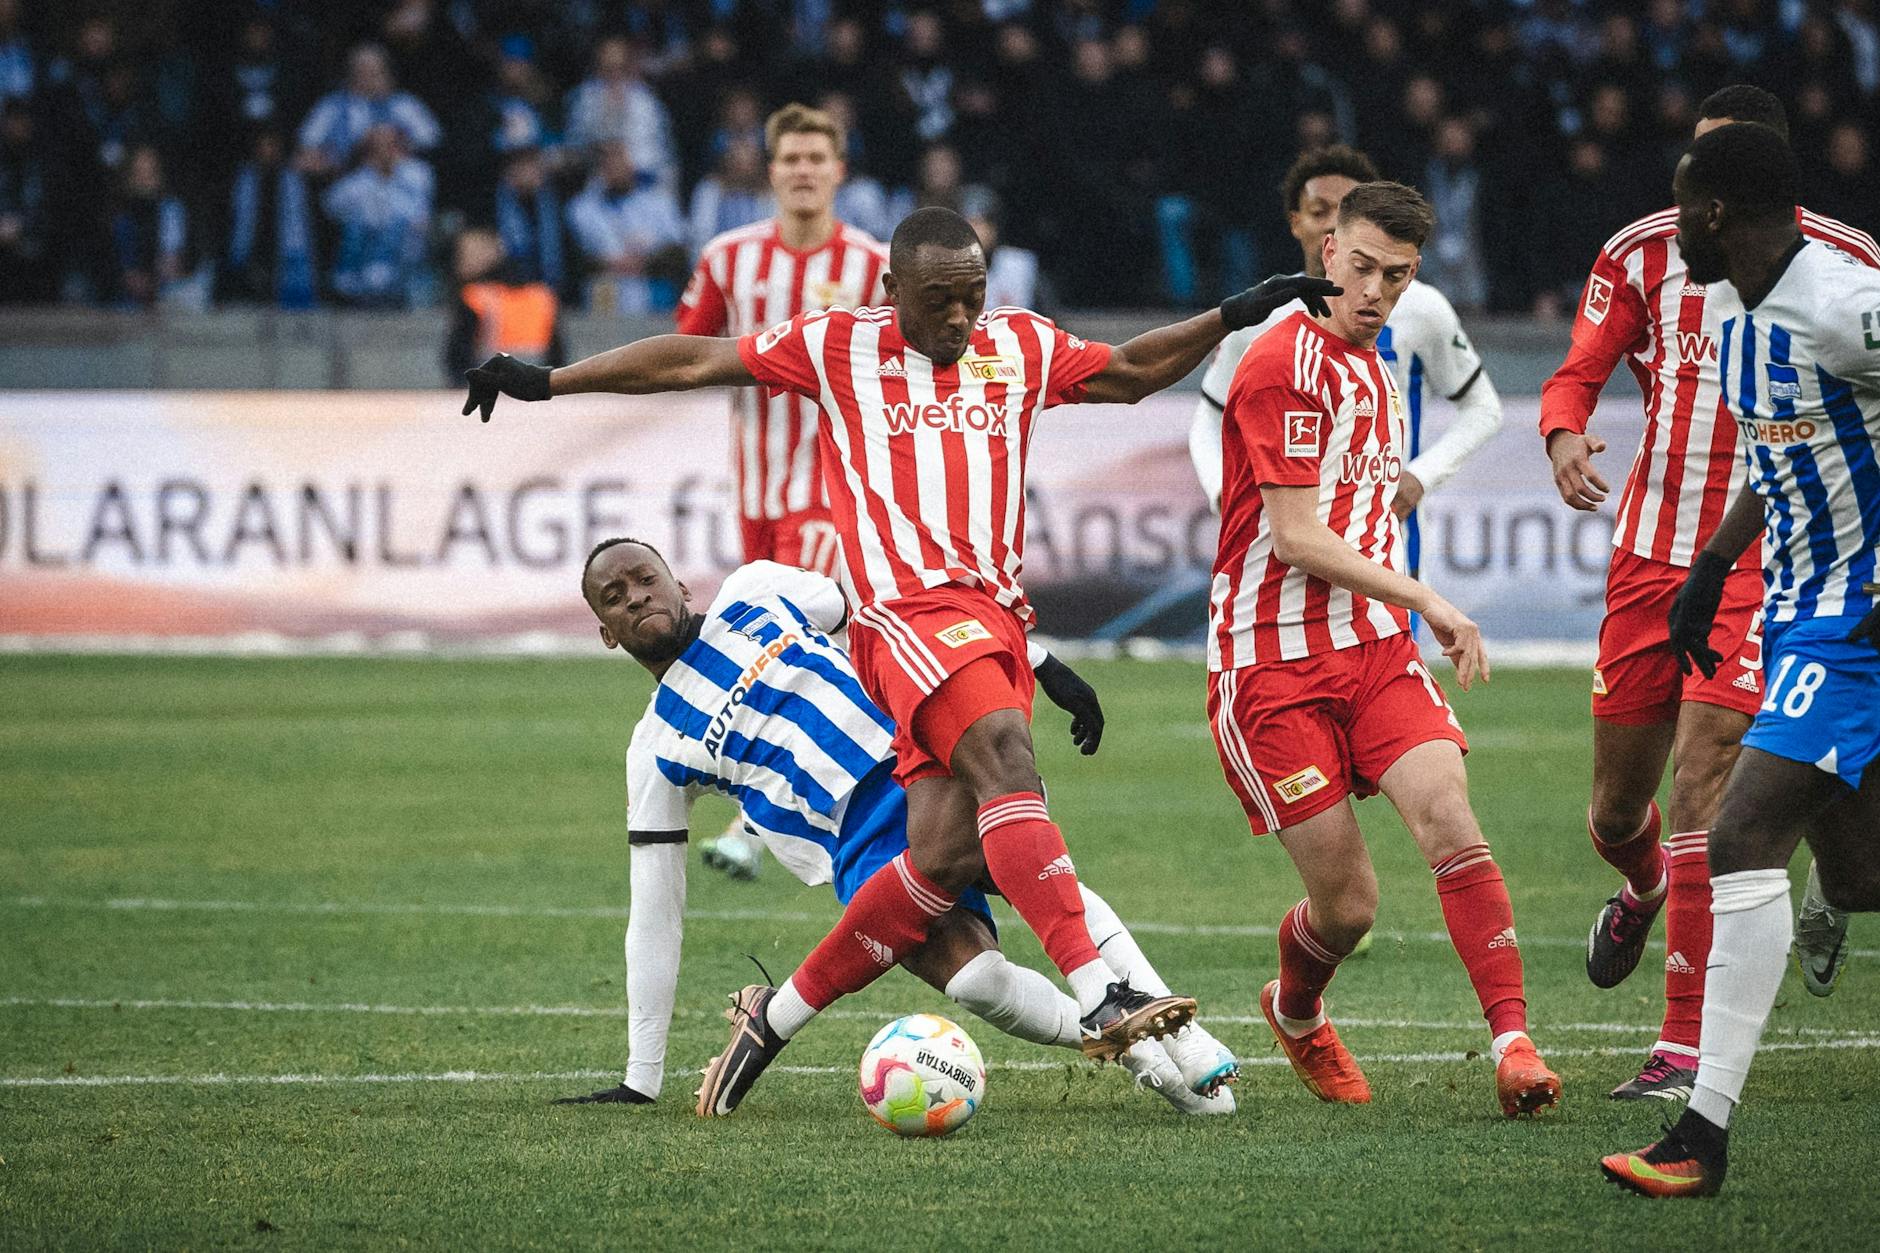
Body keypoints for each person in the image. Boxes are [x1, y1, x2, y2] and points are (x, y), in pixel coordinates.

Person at [463, 206, 1336, 1116]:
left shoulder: (1018, 346)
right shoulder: (839, 347)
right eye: (938, 301)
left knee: (962, 855)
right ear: (891, 293)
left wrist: (1234, 313)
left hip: (993, 618)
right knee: (1006, 764)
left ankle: (789, 1015)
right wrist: (549, 380)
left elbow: (1129, 371)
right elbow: (693, 357)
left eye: (972, 298)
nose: (959, 319)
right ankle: (1106, 994)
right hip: (909, 618)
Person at [556, 541, 1238, 1115]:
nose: (637, 596)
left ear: (678, 582)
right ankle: (1138, 1048)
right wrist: (641, 1077)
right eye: (615, 596)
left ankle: (1184, 1039)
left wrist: (1038, 661)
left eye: (645, 578)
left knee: (1026, 876)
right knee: (976, 983)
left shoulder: (754, 590)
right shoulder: (653, 747)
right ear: (606, 630)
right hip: (852, 846)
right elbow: (654, 912)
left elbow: (899, 618)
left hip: (913, 761)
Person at [1539, 86, 1880, 1101]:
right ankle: (1647, 883)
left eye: (1700, 187)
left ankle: (1683, 1056)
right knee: (1615, 808)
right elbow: (1576, 373)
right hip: (1656, 558)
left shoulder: (1844, 275)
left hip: (1789, 578)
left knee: (1706, 791)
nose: (1680, 205)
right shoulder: (1650, 257)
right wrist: (1561, 433)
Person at [1209, 181, 1559, 1119]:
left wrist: (1403, 613)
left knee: (1451, 816)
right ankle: (1295, 1008)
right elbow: (1294, 536)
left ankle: (1515, 1043)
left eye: (1394, 276)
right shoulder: (1281, 360)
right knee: (1349, 907)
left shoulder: (1374, 365)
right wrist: (1426, 596)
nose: (1373, 290)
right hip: (1269, 664)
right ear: (1327, 251)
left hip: (1370, 650)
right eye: (1360, 266)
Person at [673, 103, 890, 884]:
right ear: (770, 170)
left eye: (816, 158)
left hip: (826, 489)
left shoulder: (872, 266)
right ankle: (778, 796)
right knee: (765, 637)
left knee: (794, 636)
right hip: (754, 487)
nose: (803, 170)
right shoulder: (729, 258)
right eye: (790, 158)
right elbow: (689, 344)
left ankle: (751, 824)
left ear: (838, 171)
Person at [1190, 146, 1503, 585]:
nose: (1332, 220)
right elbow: (1210, 412)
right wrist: (1219, 489)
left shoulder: (1422, 308)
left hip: (1384, 535)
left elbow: (1484, 408)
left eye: (1347, 208)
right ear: (1296, 221)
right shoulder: (1259, 312)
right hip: (1279, 542)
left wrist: (1419, 477)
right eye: (1320, 210)